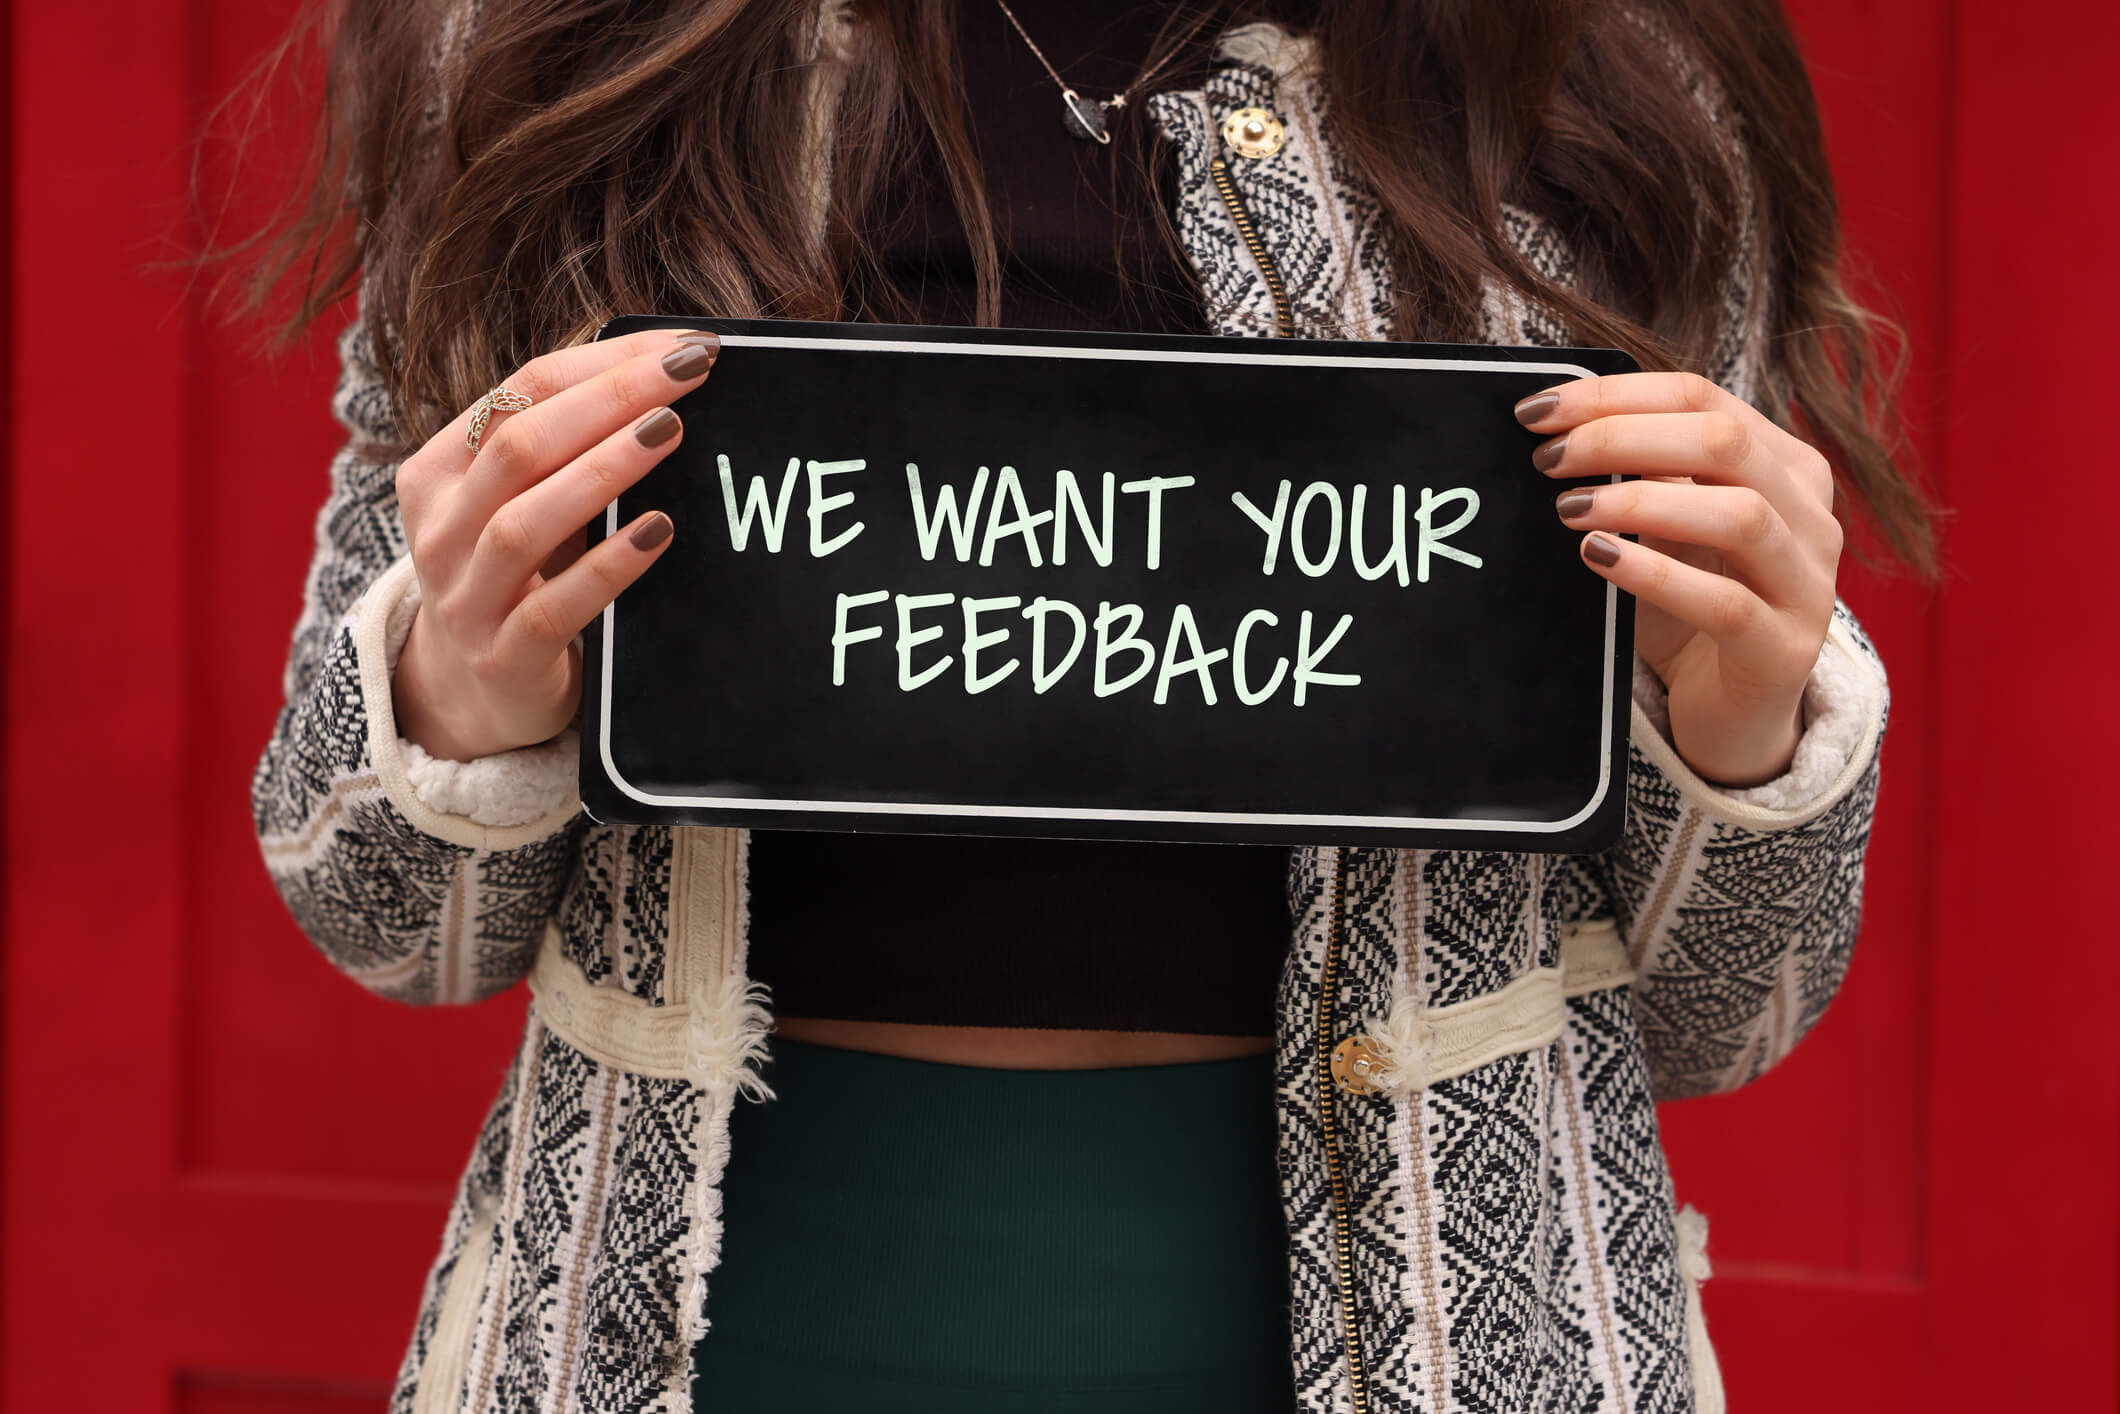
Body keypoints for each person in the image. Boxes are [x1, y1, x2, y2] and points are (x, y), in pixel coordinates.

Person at [238, 0, 1936, 1408]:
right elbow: (384, 922)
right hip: (696, 1332)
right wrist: (458, 688)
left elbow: (1734, 1015)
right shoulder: (544, 44)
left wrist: (1742, 725)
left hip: (1478, 1340)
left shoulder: (1619, 62)